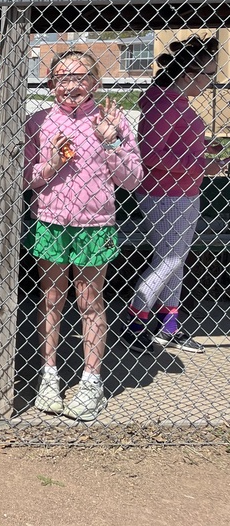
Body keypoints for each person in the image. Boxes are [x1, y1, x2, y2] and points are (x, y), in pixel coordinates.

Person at [24, 50, 142, 421]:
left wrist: (110, 142)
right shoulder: (39, 121)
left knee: (90, 302)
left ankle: (92, 381)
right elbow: (26, 176)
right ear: (50, 84)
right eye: (61, 77)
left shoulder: (111, 118)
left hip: (95, 223)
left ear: (94, 82)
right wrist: (52, 165)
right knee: (51, 301)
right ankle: (49, 374)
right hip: (51, 220)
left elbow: (133, 179)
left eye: (79, 77)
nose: (70, 85)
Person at [124, 36, 222, 354]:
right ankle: (136, 324)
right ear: (187, 74)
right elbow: (150, 153)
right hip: (166, 194)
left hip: (181, 191)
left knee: (174, 261)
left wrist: (205, 151)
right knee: (170, 259)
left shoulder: (173, 102)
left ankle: (169, 327)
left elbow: (175, 146)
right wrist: (202, 166)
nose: (212, 82)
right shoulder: (164, 103)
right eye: (208, 74)